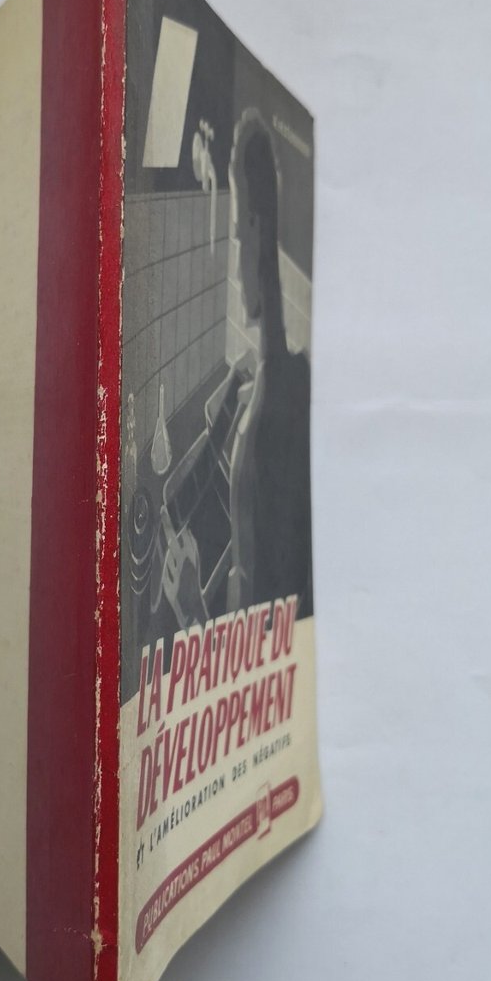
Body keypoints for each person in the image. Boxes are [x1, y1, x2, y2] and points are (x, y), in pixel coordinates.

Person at [163, 110, 312, 624]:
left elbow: (257, 645)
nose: (235, 254)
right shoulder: (297, 375)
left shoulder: (265, 433)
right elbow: (250, 563)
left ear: (254, 232)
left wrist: (189, 601)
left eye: (236, 233)